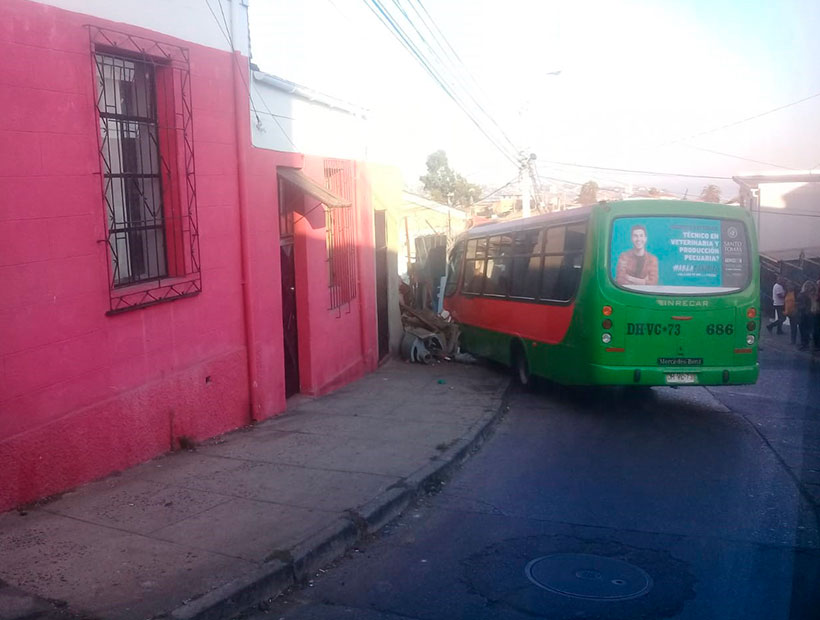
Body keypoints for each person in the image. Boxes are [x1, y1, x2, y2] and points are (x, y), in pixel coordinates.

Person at [795, 280, 816, 351]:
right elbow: (799, 304)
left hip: (806, 314)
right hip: (804, 314)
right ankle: (804, 343)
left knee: (805, 329)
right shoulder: (803, 295)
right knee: (804, 329)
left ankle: (805, 343)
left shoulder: (806, 295)